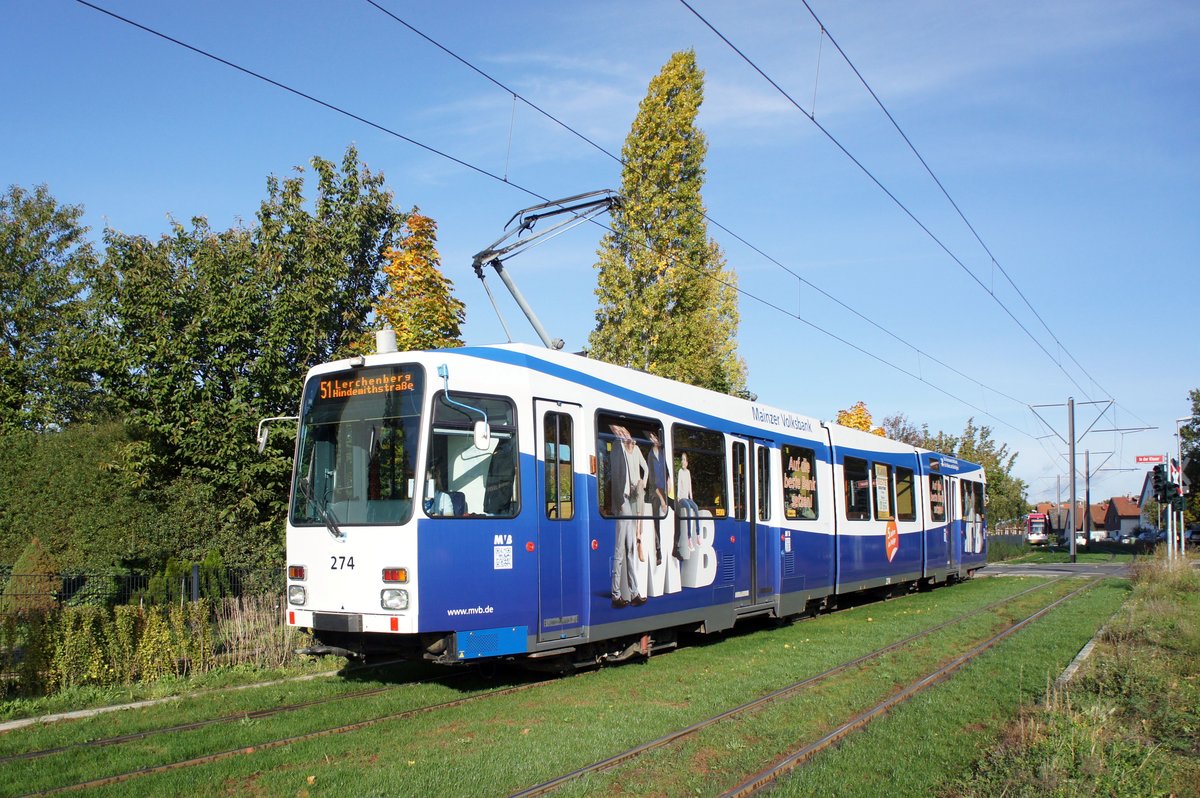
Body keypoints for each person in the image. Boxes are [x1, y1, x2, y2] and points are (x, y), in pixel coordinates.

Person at [609, 424, 647, 608]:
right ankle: (616, 594)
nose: (624, 434)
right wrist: (620, 503)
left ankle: (634, 593)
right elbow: (614, 477)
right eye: (621, 432)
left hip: (629, 502)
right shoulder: (617, 448)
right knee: (620, 552)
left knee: (630, 550)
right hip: (622, 503)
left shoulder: (629, 449)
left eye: (625, 431)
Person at [646, 431, 669, 562]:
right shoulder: (650, 455)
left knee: (676, 511)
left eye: (654, 437)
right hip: (655, 491)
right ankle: (658, 550)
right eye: (651, 438)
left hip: (664, 490)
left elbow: (667, 471)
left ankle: (675, 546)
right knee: (656, 517)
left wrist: (669, 482)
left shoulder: (663, 453)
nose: (653, 439)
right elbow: (652, 480)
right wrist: (662, 499)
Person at [675, 451, 699, 560]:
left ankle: (697, 534)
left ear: (687, 463)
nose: (683, 462)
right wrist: (678, 497)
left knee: (695, 507)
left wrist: (692, 497)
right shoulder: (680, 471)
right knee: (689, 509)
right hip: (681, 498)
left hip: (687, 498)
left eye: (684, 460)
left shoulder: (688, 472)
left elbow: (689, 486)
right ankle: (689, 538)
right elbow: (679, 485)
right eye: (682, 460)